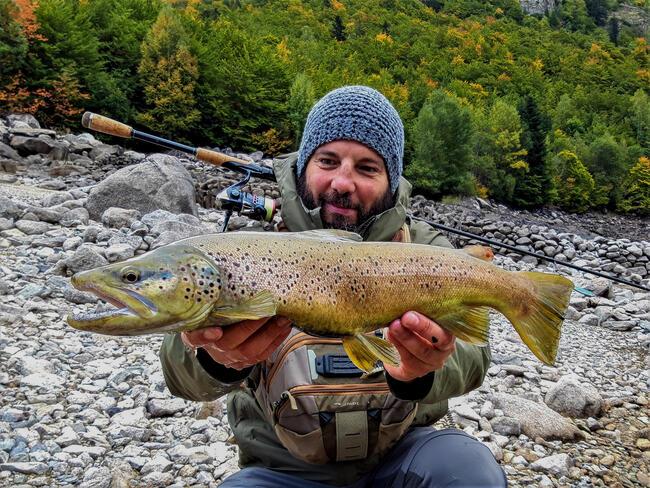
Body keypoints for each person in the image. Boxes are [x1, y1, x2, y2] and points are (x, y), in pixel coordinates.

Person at [159, 86, 507, 487]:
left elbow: (474, 353)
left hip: (404, 459)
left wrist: (421, 372)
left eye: (367, 168)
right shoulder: (250, 250)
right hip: (282, 472)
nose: (343, 183)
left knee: (468, 469)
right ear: (304, 165)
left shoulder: (425, 249)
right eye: (328, 160)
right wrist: (215, 357)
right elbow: (179, 374)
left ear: (392, 182)